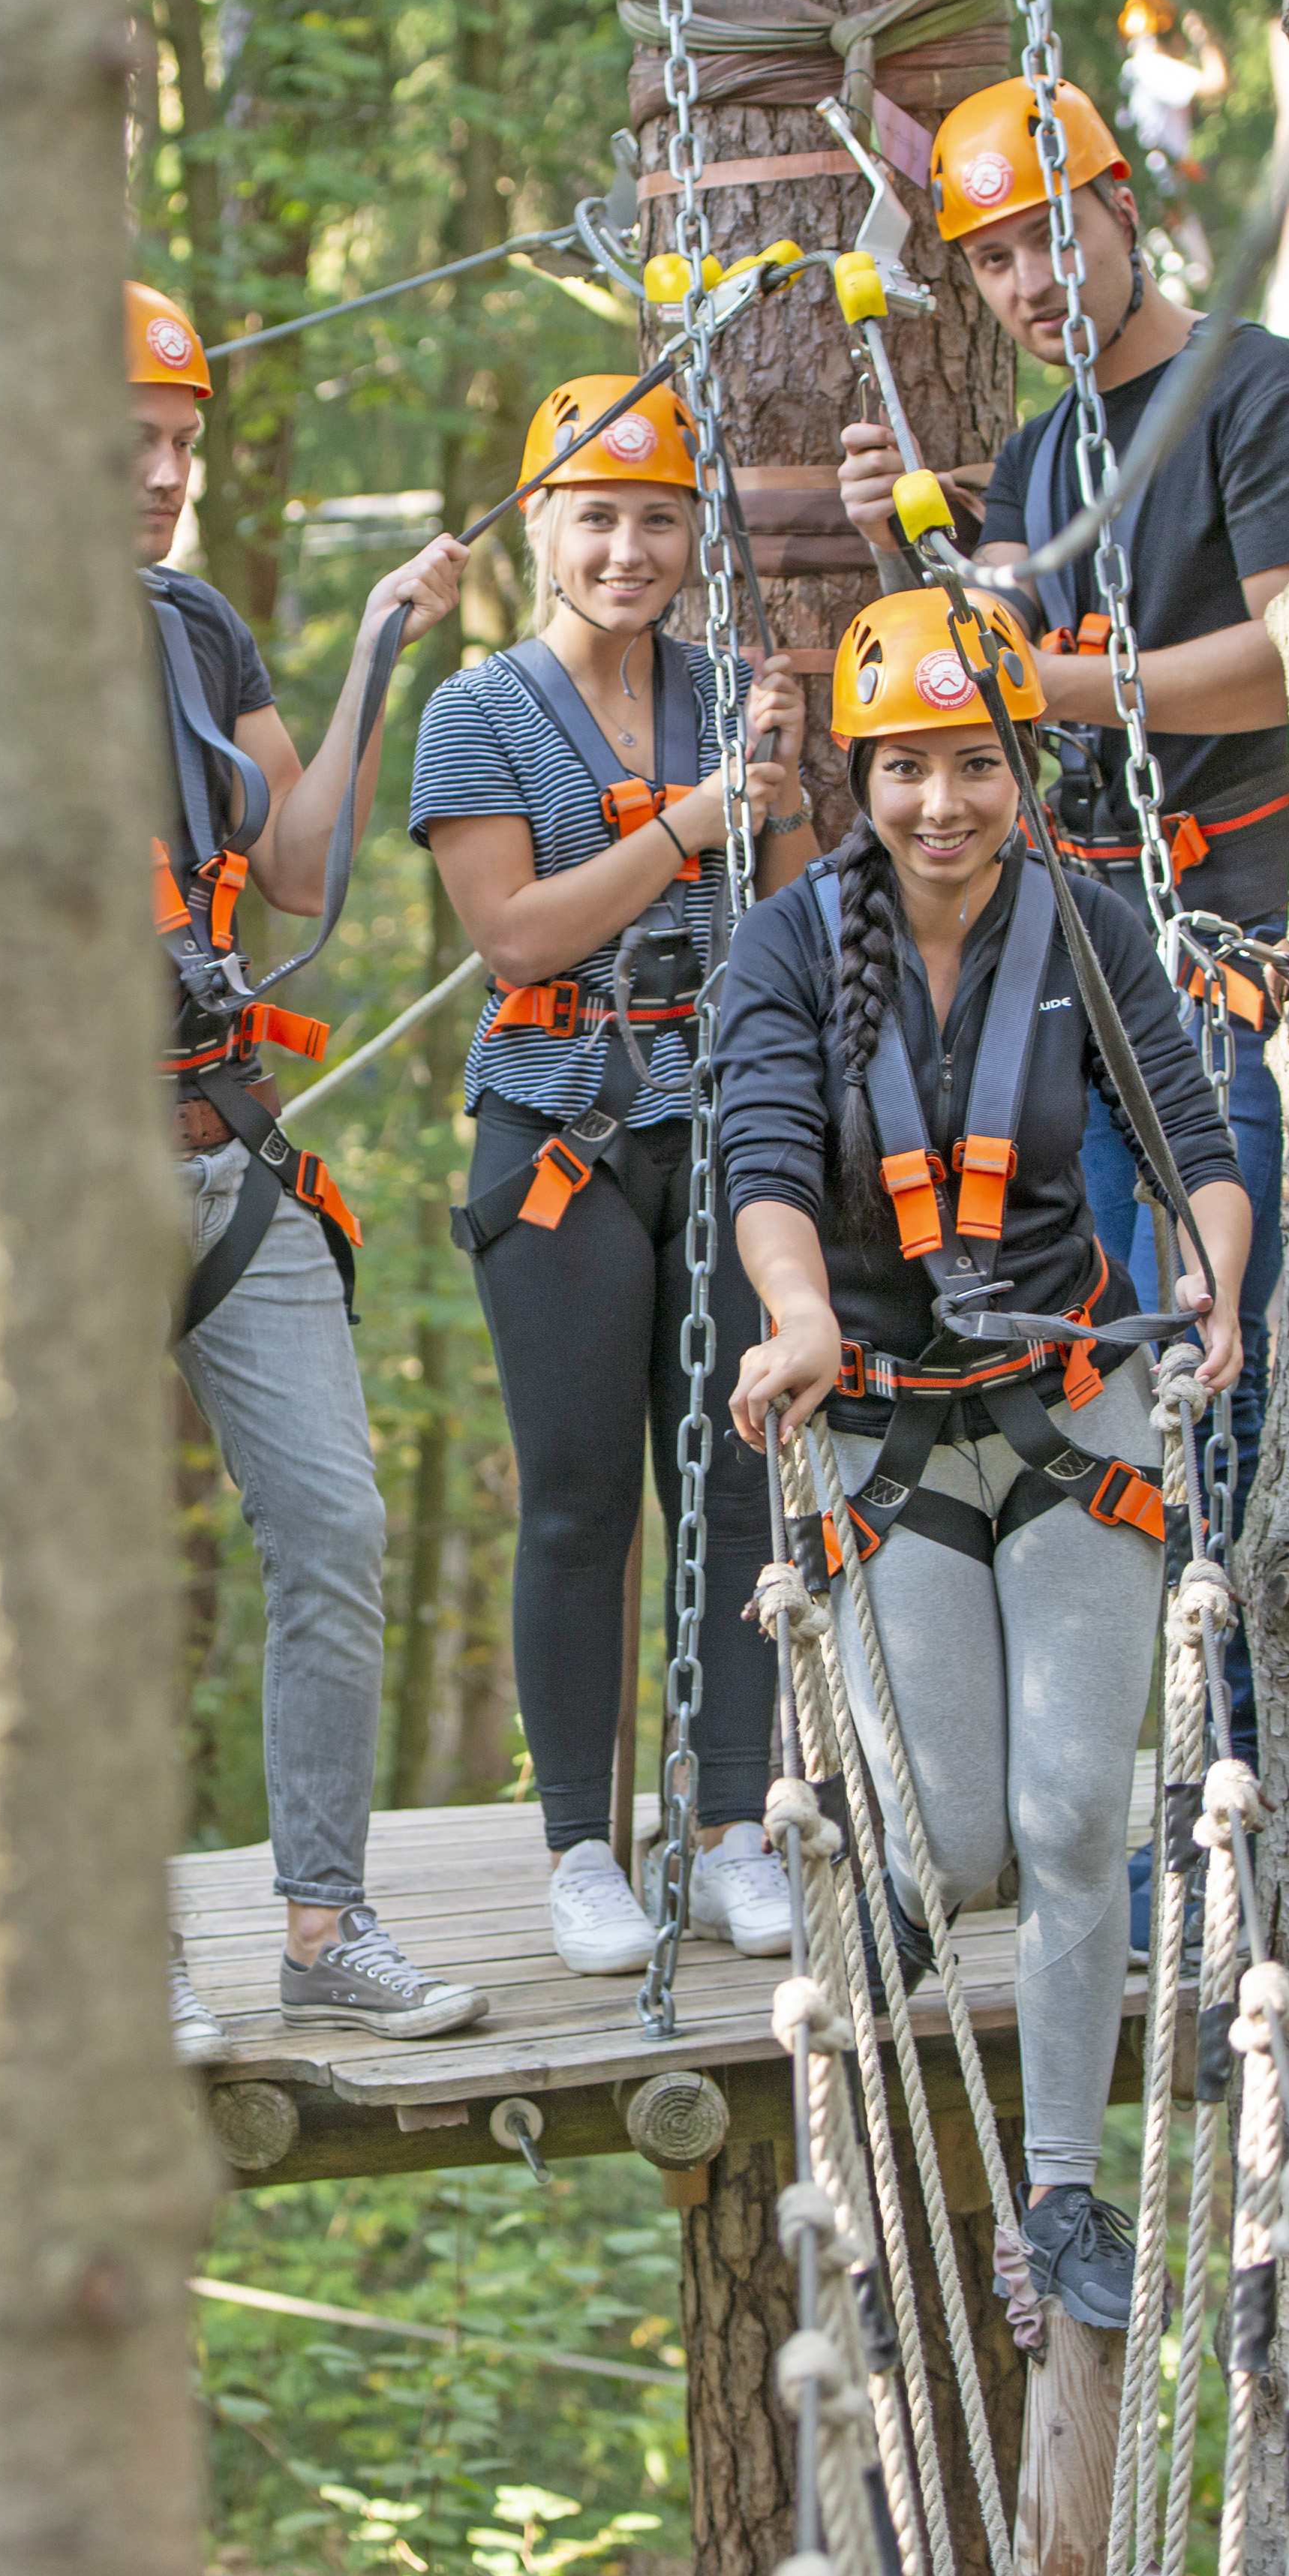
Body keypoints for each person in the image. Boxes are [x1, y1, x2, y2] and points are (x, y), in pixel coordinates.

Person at [714, 582, 1250, 2335]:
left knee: (1071, 1813)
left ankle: (1060, 2199)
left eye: (972, 765)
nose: (939, 803)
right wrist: (793, 1314)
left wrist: (1210, 1273)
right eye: (905, 770)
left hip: (1068, 1403)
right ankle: (863, 2189)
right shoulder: (785, 946)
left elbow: (1189, 1136)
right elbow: (765, 1156)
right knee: (942, 1839)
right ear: (857, 779)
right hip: (875, 1422)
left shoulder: (1083, 926)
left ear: (1020, 768)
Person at [835, 74, 1289, 1830]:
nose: (1033, 281)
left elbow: (1277, 660)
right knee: (1104, 1387)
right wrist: (932, 547)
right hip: (1090, 968)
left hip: (1227, 952)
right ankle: (1155, 1803)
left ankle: (1232, 1795)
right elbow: (1019, 654)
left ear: (1122, 207)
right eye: (993, 262)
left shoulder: (1248, 390)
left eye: (1053, 235)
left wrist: (1051, 681)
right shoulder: (1042, 451)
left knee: (1208, 1364)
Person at [409, 375, 816, 1980]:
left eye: (656, 519)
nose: (627, 548)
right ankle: (580, 1842)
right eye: (596, 517)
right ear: (543, 530)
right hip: (561, 1132)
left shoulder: (732, 696)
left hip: (713, 1128)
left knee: (725, 1477)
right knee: (579, 1498)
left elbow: (777, 926)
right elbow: (514, 931)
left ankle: (725, 1826)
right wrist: (699, 819)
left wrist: (768, 801)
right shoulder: (478, 710)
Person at [128, 280, 490, 2058]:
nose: (161, 474)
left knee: (336, 1528)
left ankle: (319, 1920)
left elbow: (290, 864)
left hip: (219, 1148)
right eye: (129, 441)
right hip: (66, 1177)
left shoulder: (195, 636)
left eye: (180, 444)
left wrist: (371, 658)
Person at [1113, 0, 1231, 287]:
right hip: (1164, 193)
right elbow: (1216, 84)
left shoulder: (1133, 71)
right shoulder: (1154, 66)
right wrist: (1205, 40)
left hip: (1150, 190)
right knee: (1190, 278)